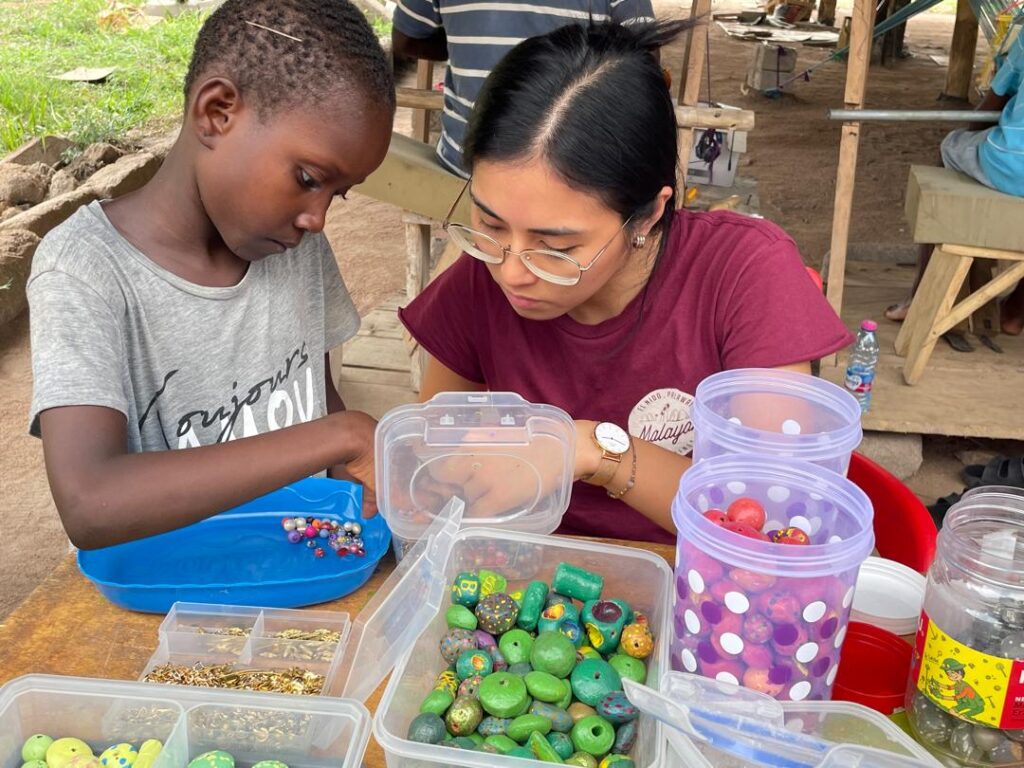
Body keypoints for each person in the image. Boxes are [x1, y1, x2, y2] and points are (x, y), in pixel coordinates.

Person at [399, 20, 854, 544]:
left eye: (558, 248)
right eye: (489, 223)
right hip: (528, 576)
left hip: (696, 588)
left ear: (646, 217)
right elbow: (434, 467)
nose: (512, 271)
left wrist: (591, 449)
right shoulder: (479, 281)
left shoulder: (744, 274)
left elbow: (770, 524)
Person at [26, 0, 395, 549]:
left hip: (298, 561)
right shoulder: (86, 271)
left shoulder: (293, 247)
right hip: (171, 595)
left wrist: (360, 486)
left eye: (335, 194)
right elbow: (90, 501)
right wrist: (338, 437)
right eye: (307, 177)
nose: (317, 219)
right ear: (217, 112)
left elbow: (317, 396)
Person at [391, 0, 655, 177]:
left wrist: (471, 48)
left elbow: (406, 41)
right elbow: (643, 60)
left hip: (469, 163)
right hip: (572, 170)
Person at [885, 26, 1024, 337]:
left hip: (1010, 164)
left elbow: (992, 104)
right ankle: (1016, 310)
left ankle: (920, 294)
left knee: (949, 148)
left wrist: (970, 133)